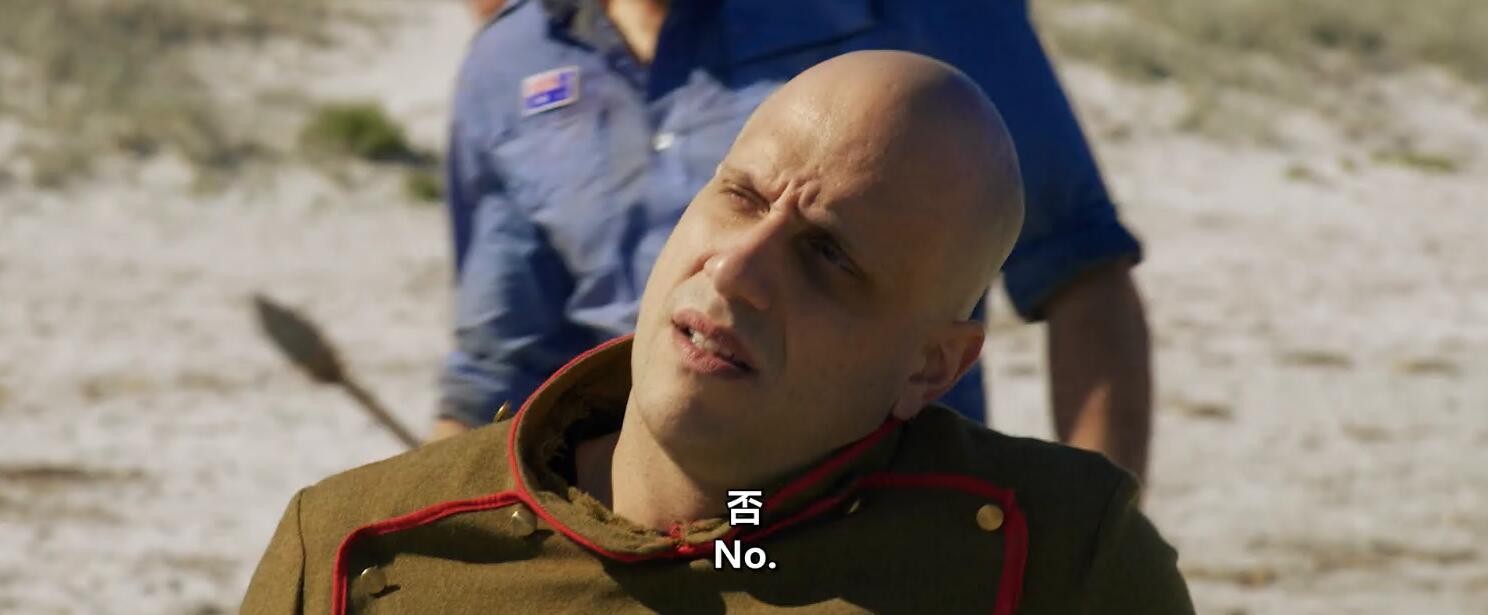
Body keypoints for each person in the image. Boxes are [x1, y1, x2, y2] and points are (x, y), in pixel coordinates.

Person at [243, 51, 1191, 614]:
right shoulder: (353, 552)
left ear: (931, 365)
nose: (736, 268)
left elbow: (1091, 273)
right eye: (739, 196)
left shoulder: (1060, 561)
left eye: (828, 256)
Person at [432, 0, 1154, 482]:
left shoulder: (923, 12)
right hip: (642, 542)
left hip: (891, 537)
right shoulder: (510, 64)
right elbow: (502, 370)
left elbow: (1082, 272)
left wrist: (1089, 549)